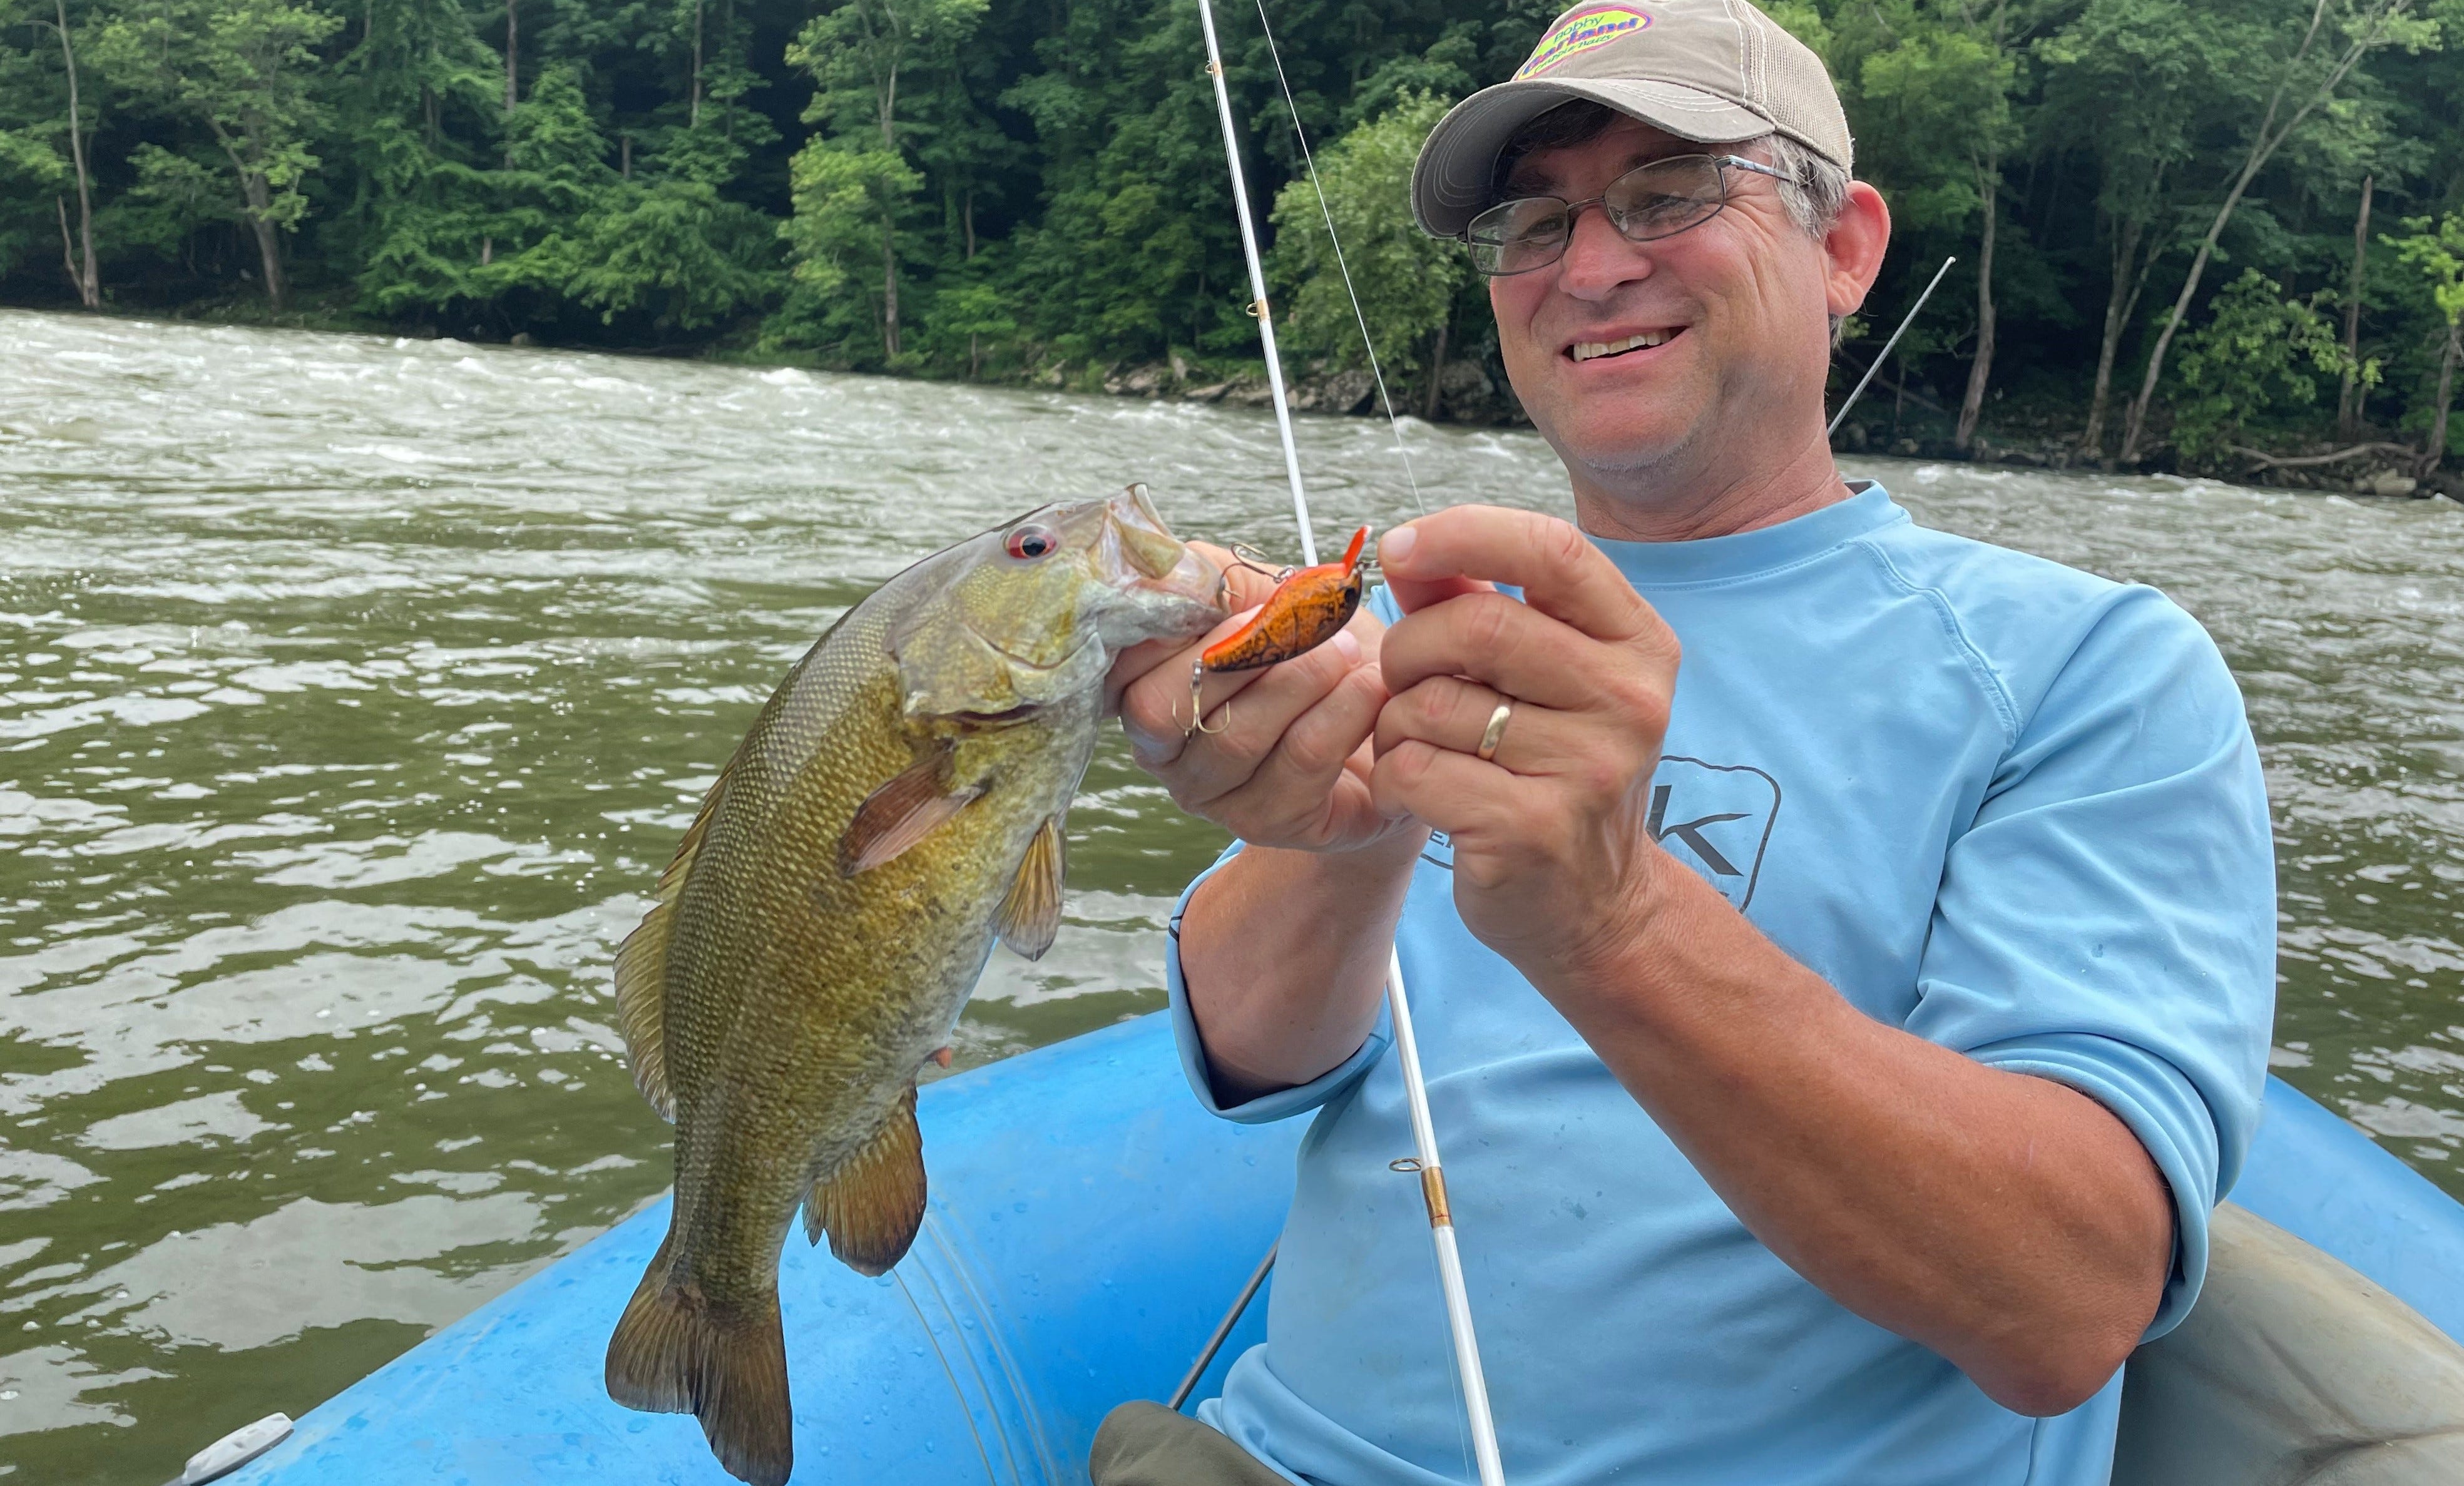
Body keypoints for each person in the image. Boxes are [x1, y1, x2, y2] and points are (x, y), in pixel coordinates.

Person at [1097, 1, 2276, 1482]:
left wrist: (1612, 919)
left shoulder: (2092, 669)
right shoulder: (1408, 610)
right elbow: (1252, 1053)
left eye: (1667, 195)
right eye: (1534, 224)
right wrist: (1352, 829)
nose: (1589, 266)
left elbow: (2062, 1302)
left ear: (1843, 248)